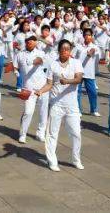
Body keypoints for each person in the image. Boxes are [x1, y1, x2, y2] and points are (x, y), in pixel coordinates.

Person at [37, 39, 83, 172]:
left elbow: (79, 79)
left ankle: (76, 159)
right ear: (59, 51)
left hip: (72, 105)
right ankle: (52, 160)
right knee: (52, 133)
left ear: (70, 50)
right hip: (56, 103)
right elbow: (49, 84)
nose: (65, 51)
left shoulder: (76, 63)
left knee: (76, 133)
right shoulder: (53, 65)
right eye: (63, 49)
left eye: (68, 49)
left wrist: (67, 81)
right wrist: (40, 91)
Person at [16, 35, 50, 143]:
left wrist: (32, 62)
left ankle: (40, 133)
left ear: (36, 43)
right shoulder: (20, 54)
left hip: (42, 87)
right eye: (27, 42)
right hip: (28, 88)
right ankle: (22, 134)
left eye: (31, 41)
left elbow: (39, 60)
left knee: (43, 112)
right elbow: (15, 65)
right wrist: (16, 71)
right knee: (28, 112)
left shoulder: (41, 53)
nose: (29, 43)